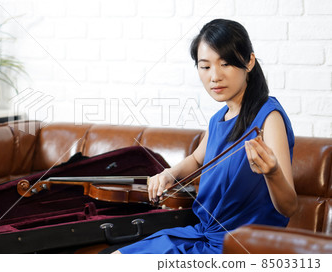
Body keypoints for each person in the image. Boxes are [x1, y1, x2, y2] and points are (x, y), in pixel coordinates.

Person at [114, 19, 298, 254]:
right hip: (201, 233)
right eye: (205, 66)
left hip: (239, 248)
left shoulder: (269, 117)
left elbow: (289, 207)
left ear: (249, 62)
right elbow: (197, 160)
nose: (215, 76)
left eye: (225, 64)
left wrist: (272, 173)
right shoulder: (218, 120)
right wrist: (169, 174)